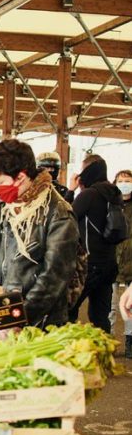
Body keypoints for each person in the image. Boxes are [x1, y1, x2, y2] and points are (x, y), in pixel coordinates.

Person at [0, 139, 79, 328]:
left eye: (0, 182)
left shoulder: (58, 214)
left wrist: (20, 318)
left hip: (42, 321)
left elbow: (53, 277)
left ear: (21, 177)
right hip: (5, 313)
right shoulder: (4, 207)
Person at [68, 153, 122, 332]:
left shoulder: (89, 195)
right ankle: (104, 352)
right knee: (100, 316)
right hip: (109, 265)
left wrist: (71, 190)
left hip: (88, 266)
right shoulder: (115, 193)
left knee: (69, 310)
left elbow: (65, 218)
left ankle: (68, 352)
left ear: (88, 172)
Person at [110, 169, 132, 357]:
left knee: (131, 306)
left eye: (128, 180)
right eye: (121, 180)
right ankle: (108, 342)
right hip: (112, 261)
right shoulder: (110, 204)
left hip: (131, 262)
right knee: (111, 306)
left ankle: (130, 342)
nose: (124, 183)